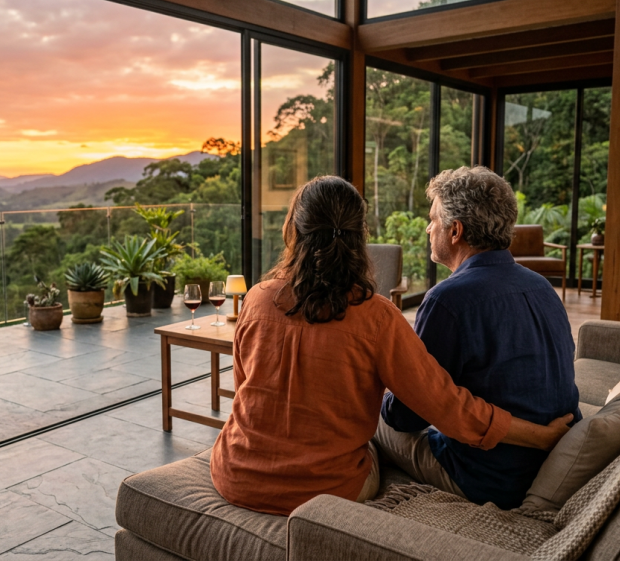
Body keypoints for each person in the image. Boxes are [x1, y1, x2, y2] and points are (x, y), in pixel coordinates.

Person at [209, 175, 573, 516]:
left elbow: (247, 392)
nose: (428, 228)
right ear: (358, 236)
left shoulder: (256, 300)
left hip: (234, 475)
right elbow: (448, 407)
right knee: (372, 423)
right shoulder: (377, 316)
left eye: (432, 219)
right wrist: (540, 436)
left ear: (293, 229)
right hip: (329, 489)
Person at [376, 166, 581, 510]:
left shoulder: (448, 299)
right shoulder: (542, 286)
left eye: (433, 219)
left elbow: (406, 417)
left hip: (488, 476)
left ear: (454, 230)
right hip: (548, 461)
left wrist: (382, 389)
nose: (428, 228)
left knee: (372, 420)